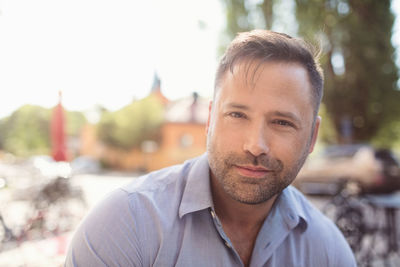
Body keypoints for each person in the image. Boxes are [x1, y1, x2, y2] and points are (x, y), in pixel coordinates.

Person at [65, 30, 356, 267]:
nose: (255, 145)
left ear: (312, 136)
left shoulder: (328, 251)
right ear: (209, 119)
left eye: (281, 122)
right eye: (237, 115)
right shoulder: (125, 226)